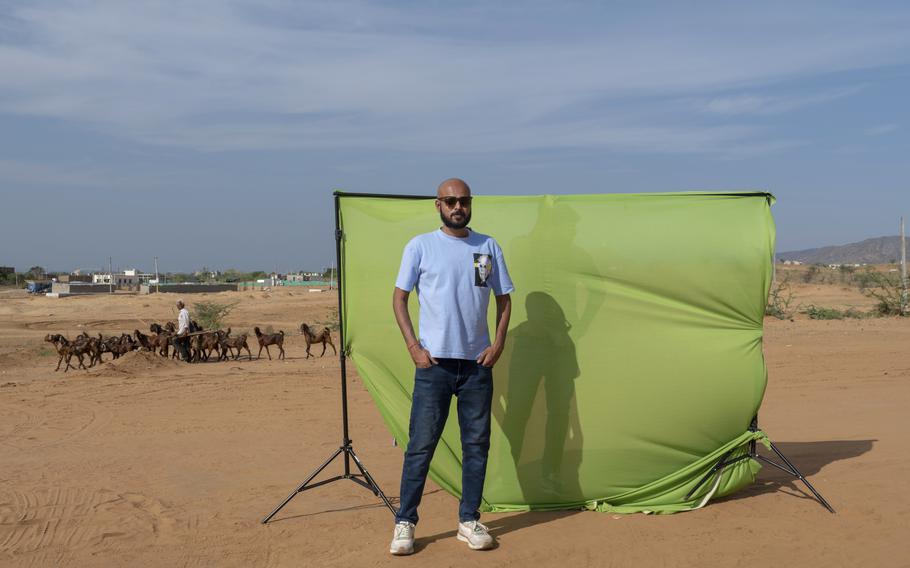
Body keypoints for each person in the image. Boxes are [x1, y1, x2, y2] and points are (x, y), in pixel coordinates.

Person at [389, 178, 514, 555]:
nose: (457, 206)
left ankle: (468, 520)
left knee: (476, 445)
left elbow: (504, 301)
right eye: (450, 201)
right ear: (438, 205)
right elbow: (399, 299)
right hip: (434, 366)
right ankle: (405, 522)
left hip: (477, 366)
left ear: (470, 204)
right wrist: (414, 346)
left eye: (463, 201)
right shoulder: (421, 246)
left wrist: (498, 344)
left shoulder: (487, 246)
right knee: (421, 446)